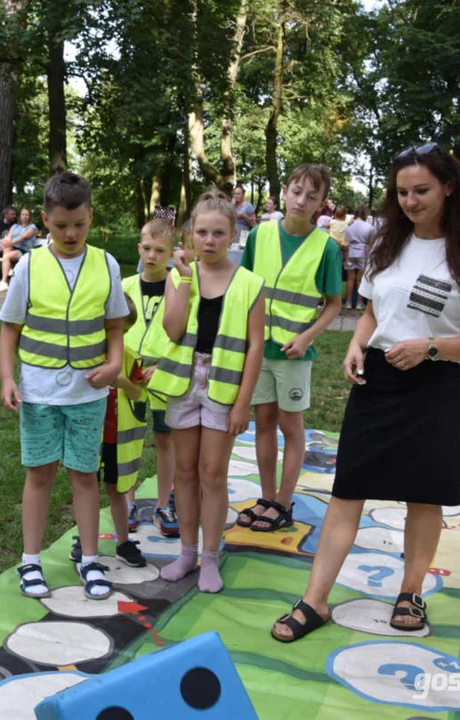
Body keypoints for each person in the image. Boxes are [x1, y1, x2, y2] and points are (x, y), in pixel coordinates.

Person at [270, 143, 460, 642]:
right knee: (347, 490)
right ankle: (315, 601)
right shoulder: (387, 245)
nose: (411, 201)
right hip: (378, 381)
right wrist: (357, 343)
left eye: (421, 190)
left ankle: (410, 591)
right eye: (402, 192)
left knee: (425, 495)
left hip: (437, 385)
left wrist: (433, 348)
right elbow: (374, 314)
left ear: (447, 187)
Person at [0, 171, 129, 601]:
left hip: (89, 394)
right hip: (39, 393)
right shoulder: (30, 266)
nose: (71, 233)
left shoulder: (106, 264)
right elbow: (9, 329)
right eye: (60, 226)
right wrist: (6, 378)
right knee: (39, 475)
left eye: (79, 224)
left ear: (91, 217)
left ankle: (90, 560)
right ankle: (30, 561)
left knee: (84, 475)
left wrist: (114, 365)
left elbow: (115, 325)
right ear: (44, 221)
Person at [148, 190, 265, 593]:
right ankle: (186, 552)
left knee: (212, 472)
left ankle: (211, 557)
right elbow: (172, 329)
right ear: (190, 236)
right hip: (184, 382)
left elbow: (254, 348)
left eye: (218, 233)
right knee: (185, 471)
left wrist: (243, 403)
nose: (209, 241)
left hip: (224, 385)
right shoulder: (179, 275)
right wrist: (180, 278)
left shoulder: (250, 284)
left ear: (233, 235)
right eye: (201, 232)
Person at [238, 164, 342, 533]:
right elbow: (244, 287)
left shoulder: (326, 248)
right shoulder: (259, 235)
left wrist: (307, 337)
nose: (301, 200)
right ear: (284, 191)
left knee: (290, 426)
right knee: (262, 423)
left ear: (321, 204)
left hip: (294, 353)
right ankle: (267, 497)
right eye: (296, 191)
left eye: (311, 196)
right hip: (258, 350)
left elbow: (333, 304)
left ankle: (284, 501)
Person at [71, 295, 148, 568]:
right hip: (89, 435)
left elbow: (139, 394)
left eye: (125, 332)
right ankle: (84, 539)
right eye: (113, 330)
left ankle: (124, 542)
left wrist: (123, 382)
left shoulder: (129, 359)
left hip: (116, 438)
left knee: (116, 490)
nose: (118, 337)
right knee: (85, 486)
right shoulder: (84, 356)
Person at [121, 218, 179, 537]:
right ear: (139, 248)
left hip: (164, 375)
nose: (152, 256)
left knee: (164, 440)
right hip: (129, 375)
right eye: (147, 248)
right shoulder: (124, 286)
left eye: (160, 250)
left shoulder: (181, 287)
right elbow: (113, 329)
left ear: (172, 252)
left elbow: (186, 334)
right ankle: (127, 501)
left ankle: (162, 502)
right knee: (129, 441)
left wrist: (167, 366)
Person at [0, 207, 38, 293]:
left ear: (29, 216)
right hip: (13, 248)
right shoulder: (14, 226)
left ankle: (4, 280)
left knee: (6, 255)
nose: (25, 216)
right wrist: (5, 243)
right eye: (23, 214)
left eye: (27, 215)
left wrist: (12, 242)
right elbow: (9, 236)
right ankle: (8, 271)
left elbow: (24, 237)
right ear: (20, 216)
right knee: (6, 250)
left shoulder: (32, 227)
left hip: (24, 250)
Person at [344, 205, 374, 309]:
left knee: (350, 279)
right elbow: (371, 243)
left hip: (350, 253)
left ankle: (348, 302)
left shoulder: (349, 227)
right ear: (365, 214)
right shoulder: (369, 227)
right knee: (360, 279)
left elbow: (346, 242)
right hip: (363, 254)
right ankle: (359, 303)